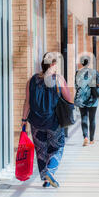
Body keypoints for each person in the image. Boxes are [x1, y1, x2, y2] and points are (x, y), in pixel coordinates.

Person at [21, 52, 73, 188]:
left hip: (36, 122)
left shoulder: (32, 80)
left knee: (41, 151)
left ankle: (45, 179)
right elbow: (68, 98)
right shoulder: (58, 79)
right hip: (53, 121)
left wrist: (23, 120)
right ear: (53, 64)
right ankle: (50, 172)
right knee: (57, 147)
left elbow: (27, 102)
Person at [74, 56, 99, 147]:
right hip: (92, 99)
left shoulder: (77, 73)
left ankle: (85, 137)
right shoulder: (94, 72)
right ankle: (92, 139)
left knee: (84, 118)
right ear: (89, 64)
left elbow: (76, 86)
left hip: (82, 99)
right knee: (92, 119)